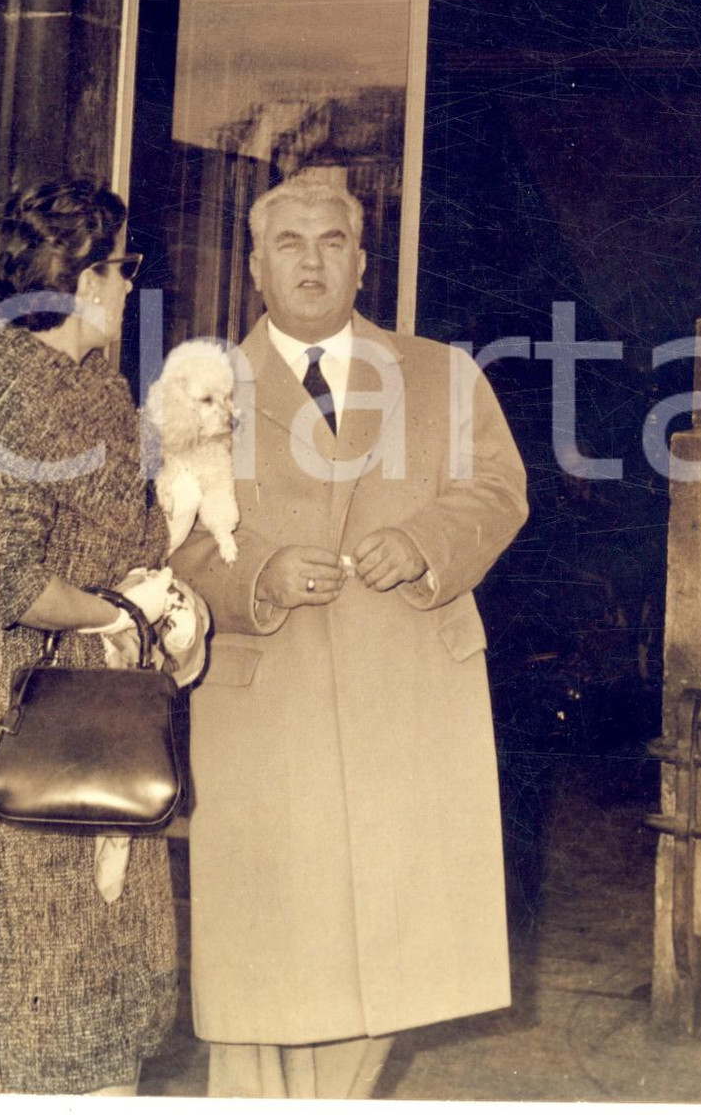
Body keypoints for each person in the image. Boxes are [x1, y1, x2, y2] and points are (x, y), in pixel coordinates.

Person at [171, 171, 529, 1100]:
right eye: (288, 244)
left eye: (332, 242)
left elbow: (497, 490)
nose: (312, 262)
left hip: (408, 697)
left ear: (363, 263)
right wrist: (258, 575)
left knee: (390, 952)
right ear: (255, 266)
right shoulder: (200, 389)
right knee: (269, 955)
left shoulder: (441, 374)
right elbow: (167, 540)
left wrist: (425, 542)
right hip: (270, 705)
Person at [0, 178, 207, 1095]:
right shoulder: (8, 389)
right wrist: (121, 613)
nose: (132, 285)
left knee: (103, 996)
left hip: (100, 717)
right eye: (124, 267)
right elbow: (13, 584)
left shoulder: (94, 386)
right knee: (41, 1004)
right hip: (29, 723)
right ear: (85, 280)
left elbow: (128, 530)